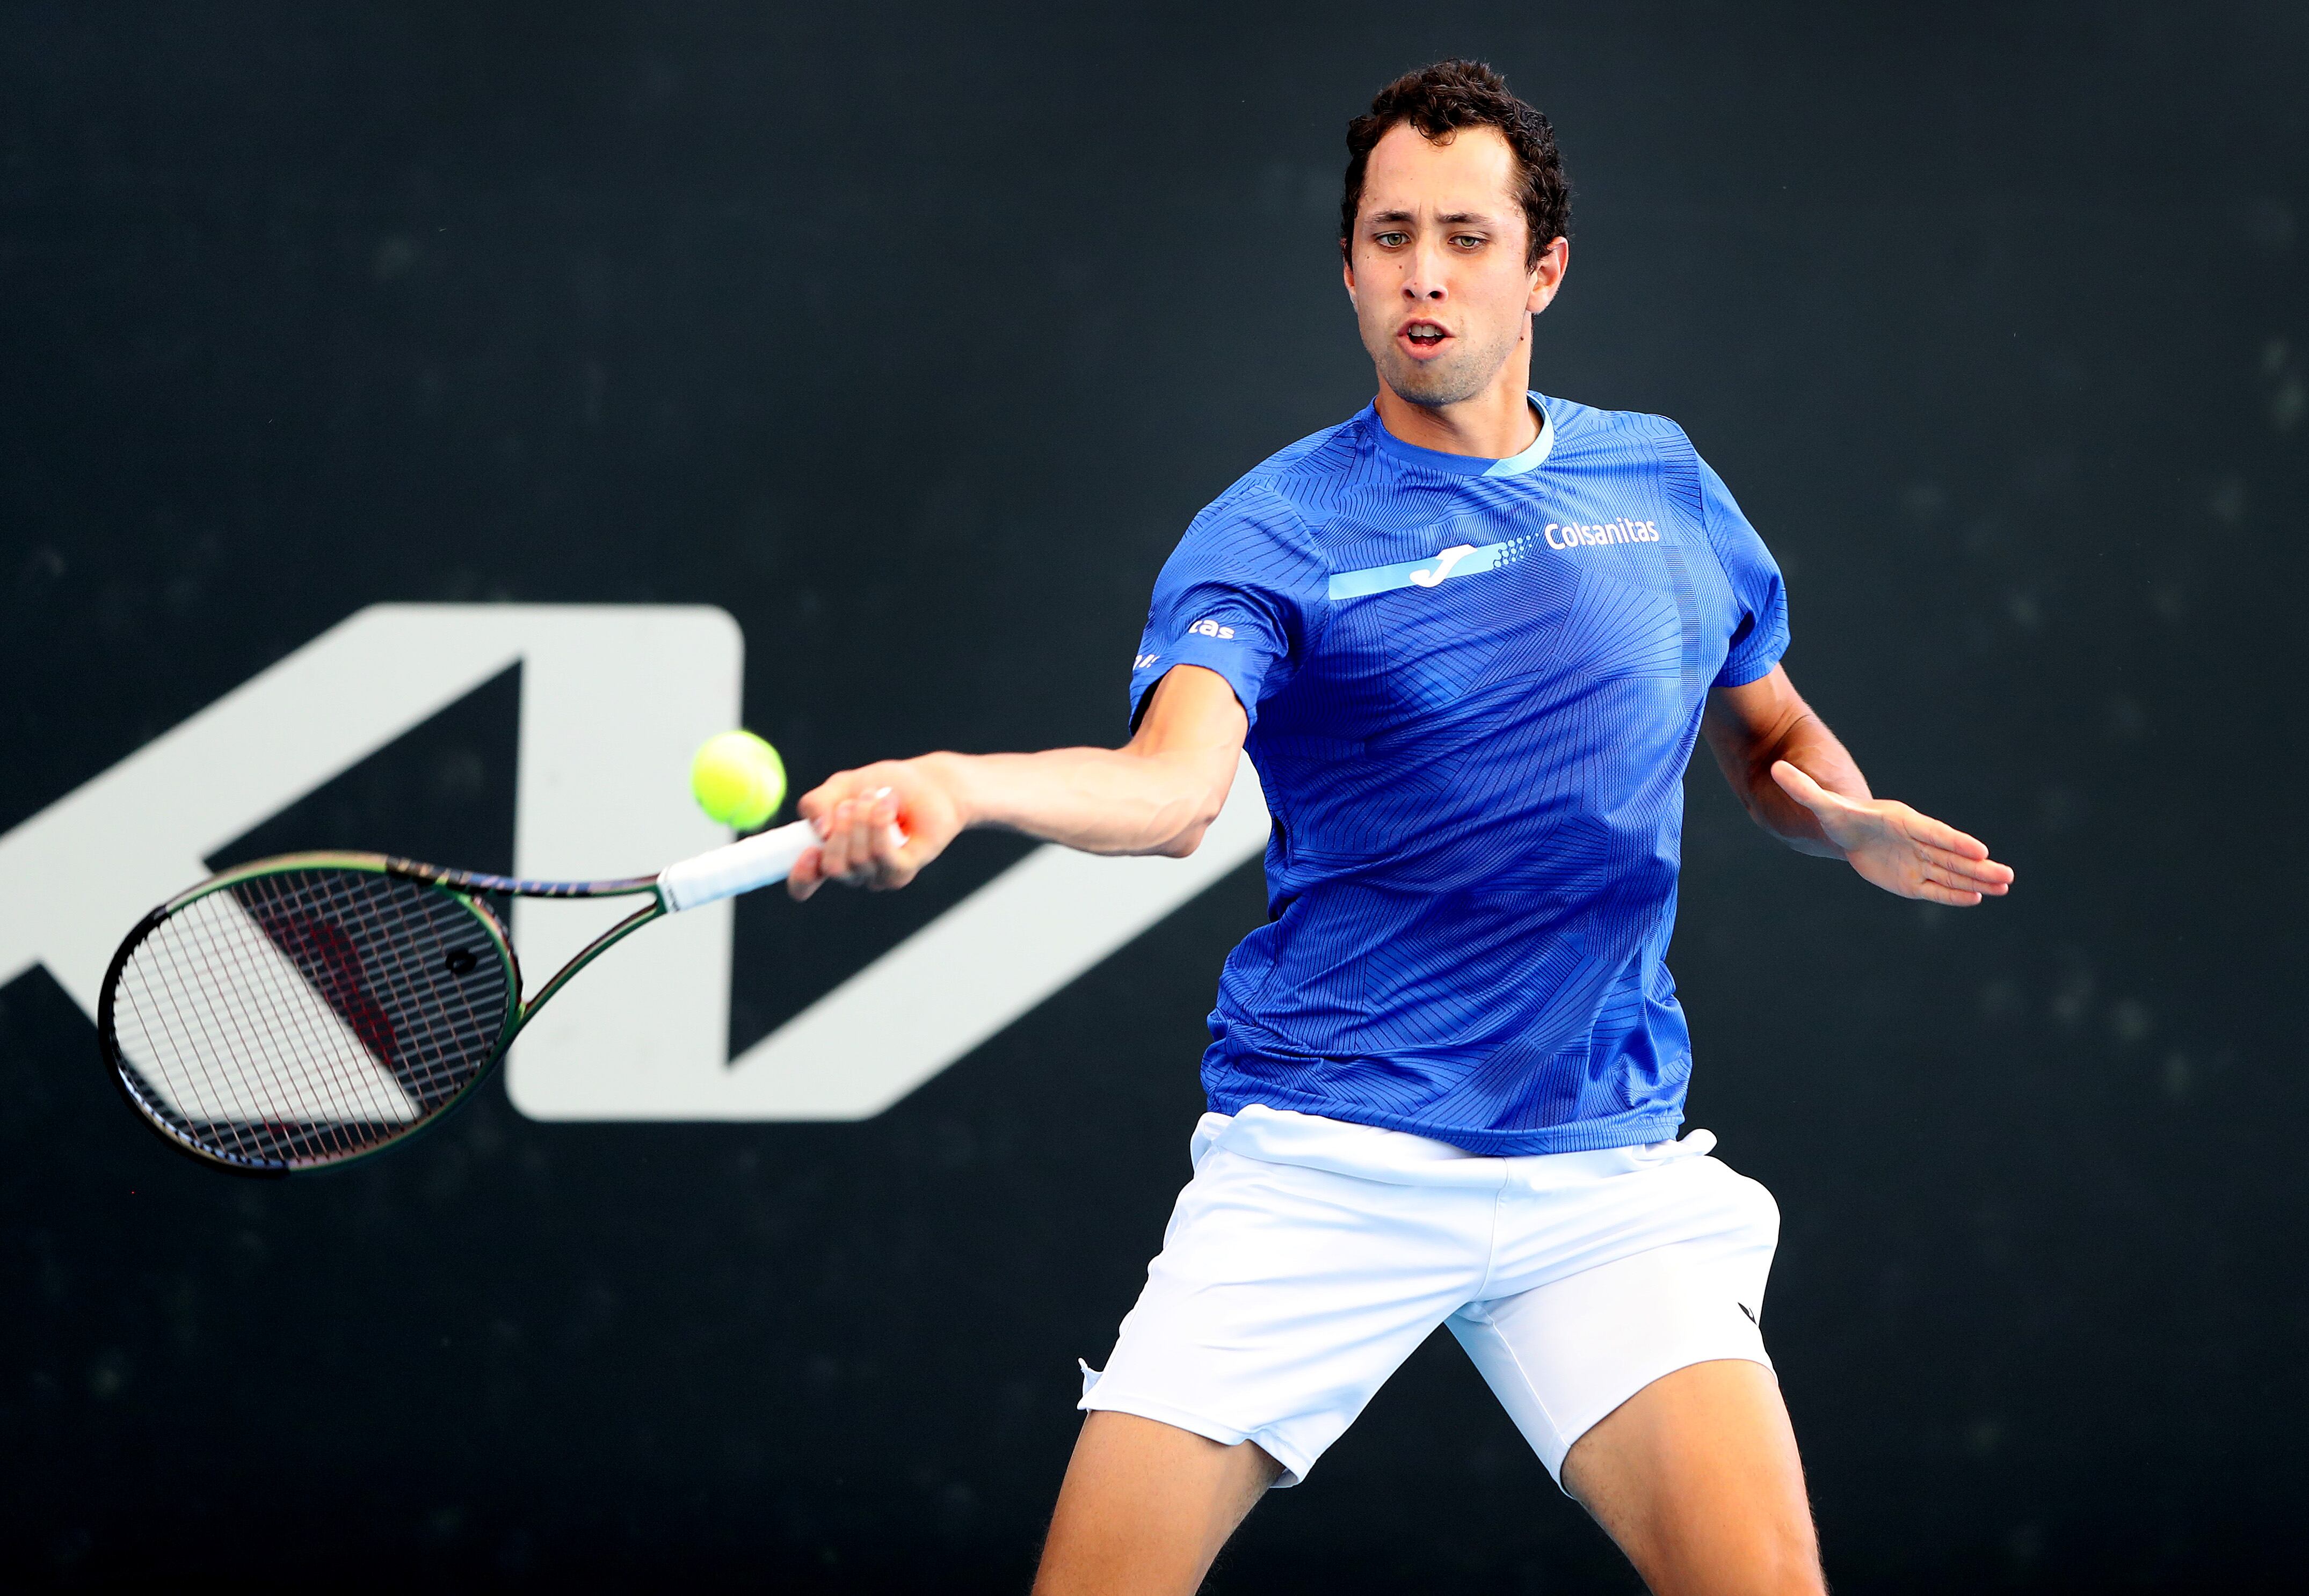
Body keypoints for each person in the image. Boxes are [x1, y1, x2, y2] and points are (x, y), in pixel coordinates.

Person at [785, 57, 2013, 1596]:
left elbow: (1760, 733)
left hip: (1597, 1168)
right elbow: (1169, 795)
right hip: (1326, 1156)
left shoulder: (1663, 480)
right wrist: (960, 787)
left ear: (1541, 269)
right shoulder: (1274, 532)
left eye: (1464, 238)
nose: (1421, 277)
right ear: (1348, 263)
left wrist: (1845, 824)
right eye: (1385, 239)